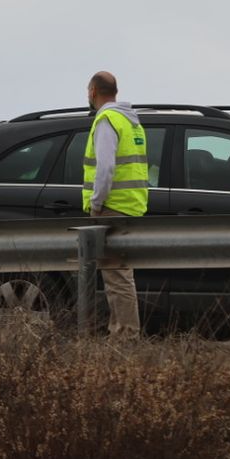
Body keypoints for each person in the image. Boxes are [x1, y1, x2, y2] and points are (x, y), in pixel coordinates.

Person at [83, 71, 145, 336]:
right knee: (120, 275)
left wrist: (96, 203)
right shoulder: (131, 122)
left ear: (93, 92)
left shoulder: (106, 120)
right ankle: (121, 331)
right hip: (131, 204)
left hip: (112, 205)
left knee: (116, 276)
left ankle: (126, 335)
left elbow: (105, 168)